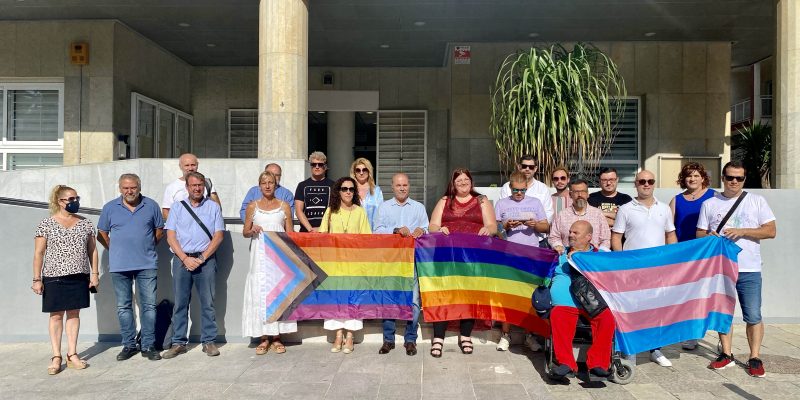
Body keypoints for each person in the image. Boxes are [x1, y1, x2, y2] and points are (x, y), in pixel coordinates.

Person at [697, 160, 776, 378]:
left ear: (744, 179)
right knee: (724, 313)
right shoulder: (710, 204)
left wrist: (742, 231)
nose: (734, 181)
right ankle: (726, 353)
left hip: (749, 268)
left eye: (739, 178)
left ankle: (755, 357)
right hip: (721, 268)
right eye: (730, 177)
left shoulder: (757, 201)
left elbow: (770, 231)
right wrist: (709, 235)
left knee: (753, 314)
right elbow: (699, 233)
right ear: (723, 178)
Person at [428, 168, 498, 357]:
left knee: (469, 295)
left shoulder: (481, 200)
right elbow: (432, 225)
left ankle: (465, 335)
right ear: (453, 183)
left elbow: (493, 226)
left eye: (466, 179)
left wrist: (488, 230)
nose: (463, 183)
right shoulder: (445, 200)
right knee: (443, 295)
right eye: (459, 180)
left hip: (473, 256)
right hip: (447, 256)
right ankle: (438, 338)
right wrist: (439, 229)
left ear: (471, 181)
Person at [611, 170, 677, 367]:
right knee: (632, 310)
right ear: (636, 184)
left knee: (657, 310)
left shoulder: (664, 209)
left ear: (654, 184)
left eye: (650, 181)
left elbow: (670, 235)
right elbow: (616, 237)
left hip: (658, 270)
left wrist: (673, 261)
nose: (646, 184)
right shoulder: (625, 209)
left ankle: (655, 349)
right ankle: (630, 350)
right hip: (633, 270)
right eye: (642, 181)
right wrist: (622, 262)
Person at [32, 185, 99, 374]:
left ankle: (72, 354)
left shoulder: (86, 223)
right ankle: (56, 356)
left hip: (79, 276)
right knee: (55, 315)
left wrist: (94, 274)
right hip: (54, 276)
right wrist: (37, 279)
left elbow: (92, 250)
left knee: (74, 314)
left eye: (76, 198)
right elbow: (38, 253)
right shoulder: (46, 224)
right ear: (59, 201)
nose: (74, 202)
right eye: (70, 199)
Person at [97, 174, 164, 361]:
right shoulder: (110, 208)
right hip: (119, 265)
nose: (129, 191)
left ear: (139, 187)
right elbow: (101, 233)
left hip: (146, 264)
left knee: (148, 306)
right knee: (124, 306)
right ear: (120, 189)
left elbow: (159, 230)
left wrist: (147, 246)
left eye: (133, 187)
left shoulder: (151, 205)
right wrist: (115, 249)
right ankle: (129, 345)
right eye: (125, 188)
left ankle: (148, 345)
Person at [162, 172, 225, 359]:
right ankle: (178, 343)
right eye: (193, 185)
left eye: (200, 185)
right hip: (182, 261)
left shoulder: (213, 207)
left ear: (204, 186)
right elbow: (170, 236)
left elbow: (219, 235)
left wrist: (202, 257)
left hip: (206, 261)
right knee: (180, 303)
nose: (197, 188)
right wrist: (184, 258)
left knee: (208, 303)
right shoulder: (177, 207)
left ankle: (209, 341)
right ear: (187, 187)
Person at [548, 221, 615, 381]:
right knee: (558, 315)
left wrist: (580, 258)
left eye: (575, 233)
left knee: (607, 319)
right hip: (565, 303)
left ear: (588, 237)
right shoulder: (559, 254)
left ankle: (598, 364)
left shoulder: (599, 256)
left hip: (591, 303)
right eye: (570, 231)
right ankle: (566, 363)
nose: (570, 235)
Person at [374, 173, 429, 356]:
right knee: (389, 298)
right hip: (390, 260)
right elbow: (377, 231)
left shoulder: (419, 207)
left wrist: (422, 230)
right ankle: (388, 340)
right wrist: (395, 230)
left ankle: (410, 339)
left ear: (409, 186)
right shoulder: (383, 207)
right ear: (392, 187)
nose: (402, 188)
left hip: (412, 260)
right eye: (398, 185)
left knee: (413, 300)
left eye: (405, 185)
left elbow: (427, 229)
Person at [242, 171, 296, 355]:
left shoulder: (284, 206)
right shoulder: (252, 206)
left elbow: (290, 233)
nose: (267, 186)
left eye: (270, 182)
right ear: (259, 186)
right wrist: (252, 230)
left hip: (279, 257)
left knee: (278, 291)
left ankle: (277, 336)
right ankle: (264, 337)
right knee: (260, 291)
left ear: (275, 184)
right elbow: (245, 232)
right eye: (264, 182)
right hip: (259, 254)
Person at [494, 171, 549, 351]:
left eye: (522, 190)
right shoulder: (502, 203)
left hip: (530, 255)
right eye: (516, 190)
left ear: (527, 188)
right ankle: (505, 334)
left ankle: (529, 335)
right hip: (508, 256)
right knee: (507, 296)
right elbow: (495, 230)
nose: (519, 193)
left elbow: (546, 226)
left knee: (529, 296)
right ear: (510, 187)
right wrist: (506, 226)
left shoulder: (535, 202)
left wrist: (535, 225)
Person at [319, 177, 372, 354]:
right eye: (344, 189)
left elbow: (366, 238)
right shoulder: (330, 211)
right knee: (335, 299)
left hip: (354, 263)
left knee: (353, 298)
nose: (348, 192)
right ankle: (338, 335)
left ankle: (350, 336)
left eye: (351, 189)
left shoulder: (360, 211)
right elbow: (322, 235)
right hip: (334, 264)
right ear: (338, 192)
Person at [668, 162, 716, 350]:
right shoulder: (676, 200)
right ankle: (691, 334)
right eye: (689, 175)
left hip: (707, 254)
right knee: (689, 295)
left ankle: (721, 337)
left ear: (703, 178)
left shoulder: (714, 197)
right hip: (685, 256)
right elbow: (669, 229)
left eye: (696, 175)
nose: (692, 179)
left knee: (712, 295)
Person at [499, 155, 554, 246]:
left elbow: (548, 214)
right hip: (510, 241)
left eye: (531, 167)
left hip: (537, 240)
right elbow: (502, 215)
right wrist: (508, 224)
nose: (527, 169)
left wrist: (536, 225)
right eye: (524, 166)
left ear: (535, 169)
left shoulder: (543, 188)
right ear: (519, 167)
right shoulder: (506, 187)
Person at [548, 179, 611, 253]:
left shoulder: (598, 214)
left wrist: (600, 254)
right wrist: (559, 247)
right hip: (568, 257)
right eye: (576, 192)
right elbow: (554, 237)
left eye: (583, 191)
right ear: (570, 195)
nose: (580, 195)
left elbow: (606, 239)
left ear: (587, 194)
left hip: (593, 257)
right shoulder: (561, 215)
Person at [162, 153, 221, 221]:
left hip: (204, 225)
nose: (190, 168)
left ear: (197, 165)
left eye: (193, 165)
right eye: (187, 165)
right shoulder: (172, 187)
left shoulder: (207, 183)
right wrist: (176, 225)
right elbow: (166, 211)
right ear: (180, 166)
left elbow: (217, 207)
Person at [295, 151, 335, 232]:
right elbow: (298, 211)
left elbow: (335, 210)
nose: (317, 167)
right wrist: (310, 230)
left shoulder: (333, 185)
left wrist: (322, 229)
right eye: (314, 164)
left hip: (327, 232)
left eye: (320, 164)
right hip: (306, 231)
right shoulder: (302, 185)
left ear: (325, 167)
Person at [350, 158, 384, 230]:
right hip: (353, 233)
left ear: (369, 171)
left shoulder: (377, 191)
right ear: (354, 173)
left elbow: (381, 215)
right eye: (358, 170)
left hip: (372, 232)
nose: (361, 173)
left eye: (364, 170)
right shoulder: (349, 190)